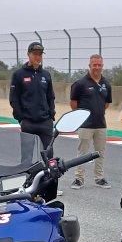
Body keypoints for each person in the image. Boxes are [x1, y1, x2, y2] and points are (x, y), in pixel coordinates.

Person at [9, 41, 59, 200]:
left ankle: (50, 185)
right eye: (35, 54)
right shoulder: (19, 75)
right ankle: (26, 185)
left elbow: (50, 96)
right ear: (29, 55)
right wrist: (21, 118)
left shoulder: (46, 75)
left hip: (45, 122)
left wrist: (51, 114)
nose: (38, 57)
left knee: (49, 156)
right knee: (26, 157)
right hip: (28, 122)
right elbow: (14, 99)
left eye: (40, 55)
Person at [69, 54, 112, 190]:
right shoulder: (80, 84)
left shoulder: (106, 84)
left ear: (102, 66)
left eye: (99, 65)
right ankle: (78, 179)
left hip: (100, 124)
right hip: (85, 125)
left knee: (100, 152)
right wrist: (83, 117)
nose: (97, 68)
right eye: (94, 65)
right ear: (89, 66)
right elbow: (73, 104)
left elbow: (106, 104)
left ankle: (99, 178)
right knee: (82, 153)